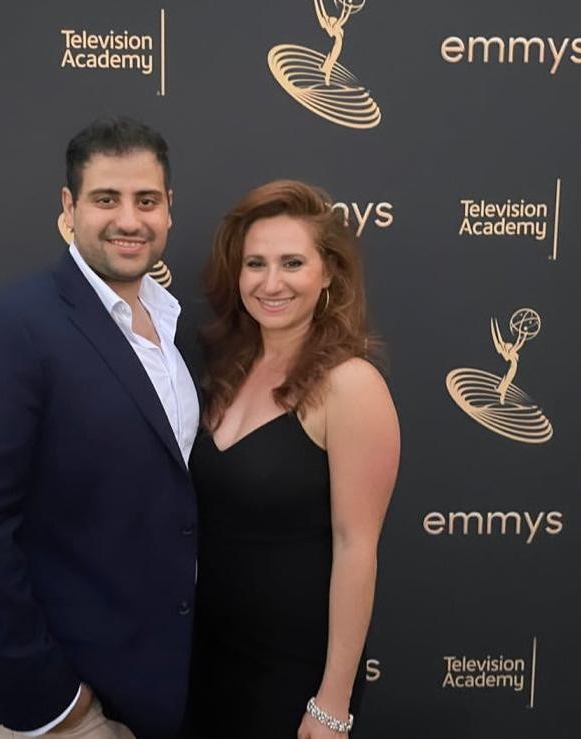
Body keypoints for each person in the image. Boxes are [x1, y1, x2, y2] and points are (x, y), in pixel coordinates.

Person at [0, 116, 200, 739]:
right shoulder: (8, 326)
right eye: (106, 199)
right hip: (62, 709)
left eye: (146, 200)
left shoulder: (175, 329)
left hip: (154, 689)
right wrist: (56, 707)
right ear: (69, 208)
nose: (129, 219)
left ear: (169, 208)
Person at [184, 180, 399, 738]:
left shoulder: (351, 385)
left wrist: (332, 703)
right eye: (255, 263)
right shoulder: (224, 371)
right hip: (204, 660)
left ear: (328, 274)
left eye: (292, 263)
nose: (271, 282)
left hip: (291, 674)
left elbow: (357, 548)